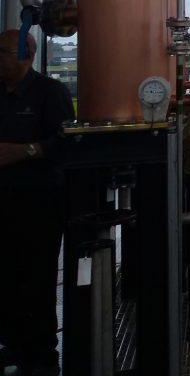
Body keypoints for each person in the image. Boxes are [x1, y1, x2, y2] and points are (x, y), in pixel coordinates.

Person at [0, 29, 74, 376]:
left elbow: (66, 142)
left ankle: (42, 356)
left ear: (24, 54)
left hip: (40, 202)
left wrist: (26, 151)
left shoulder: (50, 93)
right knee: (8, 275)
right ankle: (12, 345)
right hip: (6, 201)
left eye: (2, 52)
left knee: (38, 278)